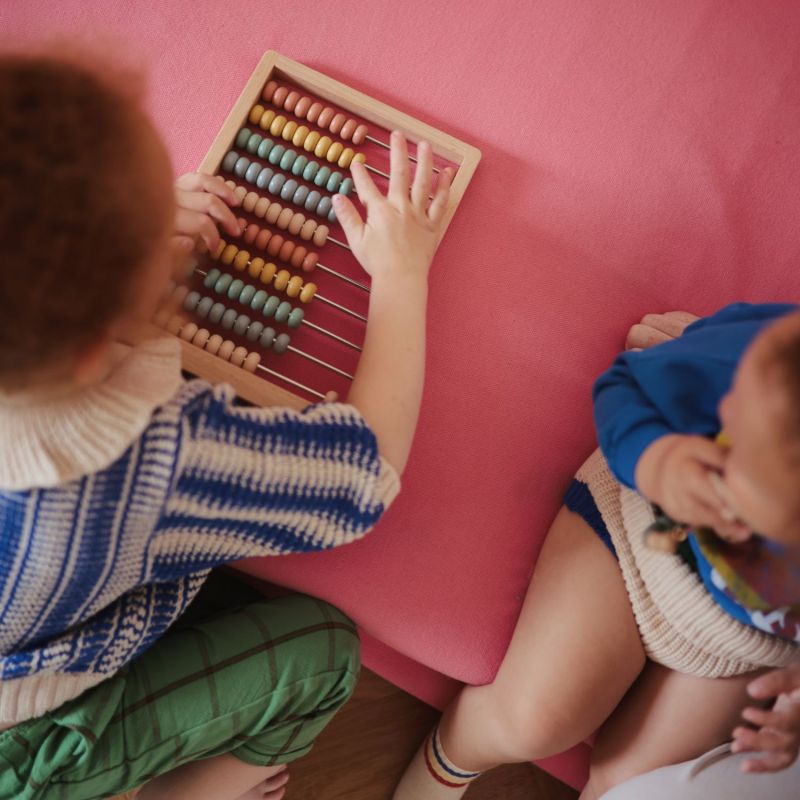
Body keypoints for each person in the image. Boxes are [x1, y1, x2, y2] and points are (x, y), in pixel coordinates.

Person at [0, 50, 452, 800]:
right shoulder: (152, 461)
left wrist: (119, 271)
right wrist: (402, 278)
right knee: (324, 654)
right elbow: (364, 478)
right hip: (26, 741)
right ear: (91, 346)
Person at [394, 306, 800, 800]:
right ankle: (452, 760)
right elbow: (626, 386)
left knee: (630, 787)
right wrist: (658, 461)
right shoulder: (764, 367)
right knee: (534, 720)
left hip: (744, 647)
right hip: (633, 546)